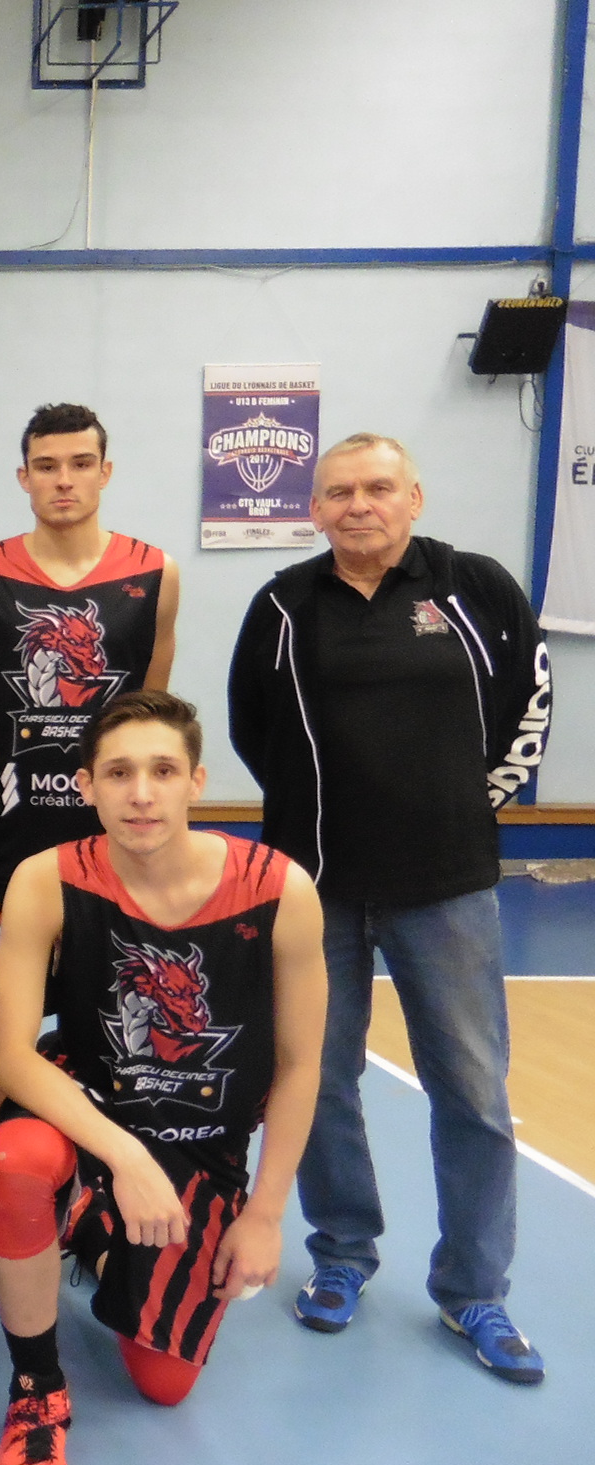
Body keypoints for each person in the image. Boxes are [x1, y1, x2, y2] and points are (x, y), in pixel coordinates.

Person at [228, 432, 552, 1383]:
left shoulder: (473, 588)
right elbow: (253, 728)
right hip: (316, 890)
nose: (359, 505)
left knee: (474, 1093)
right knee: (319, 1081)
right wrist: (313, 824)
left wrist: (465, 807)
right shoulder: (283, 603)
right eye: (339, 492)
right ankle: (342, 1254)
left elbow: (527, 706)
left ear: (414, 496)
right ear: (315, 509)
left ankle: (474, 1289)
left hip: (448, 889)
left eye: (378, 488)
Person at [0, 691, 324, 1465]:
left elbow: (301, 1064)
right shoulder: (47, 879)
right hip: (89, 1109)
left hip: (204, 1138)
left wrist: (265, 1215)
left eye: (163, 771)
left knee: (163, 1383)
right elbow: (9, 1054)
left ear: (196, 782)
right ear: (87, 787)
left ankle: (93, 1235)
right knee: (17, 1161)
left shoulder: (279, 889)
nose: (142, 794)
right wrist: (125, 1155)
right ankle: (36, 1390)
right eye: (119, 773)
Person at [0, 402, 180, 1290]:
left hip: (114, 852)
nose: (64, 480)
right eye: (47, 465)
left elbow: (148, 720)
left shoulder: (155, 572)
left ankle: (108, 1207)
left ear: (105, 472)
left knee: (120, 1030)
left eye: (81, 463)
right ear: (24, 476)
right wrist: (25, 788)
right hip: (9, 845)